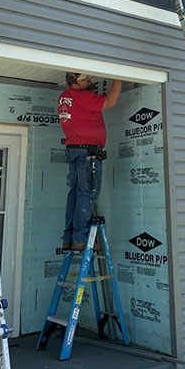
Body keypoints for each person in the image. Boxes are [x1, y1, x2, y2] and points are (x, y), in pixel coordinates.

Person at [58, 72, 121, 251]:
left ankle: (69, 237)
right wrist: (119, 77)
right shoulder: (83, 96)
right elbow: (111, 101)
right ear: (73, 83)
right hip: (87, 151)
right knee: (87, 192)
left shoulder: (64, 97)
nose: (88, 80)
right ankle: (80, 238)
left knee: (75, 193)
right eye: (84, 79)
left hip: (74, 149)